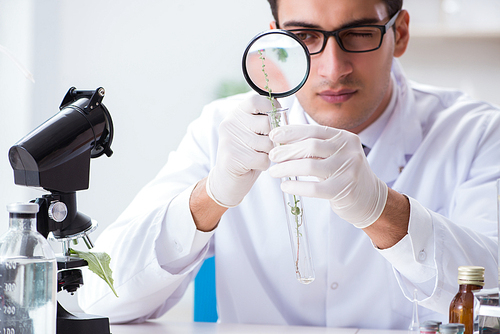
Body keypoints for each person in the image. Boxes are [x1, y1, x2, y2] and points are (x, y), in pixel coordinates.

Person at [78, 0, 500, 329]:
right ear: (275, 40)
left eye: (359, 33)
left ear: (400, 33)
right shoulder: (220, 130)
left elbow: (495, 298)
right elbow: (99, 295)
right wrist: (209, 197)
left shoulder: (477, 133)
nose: (334, 69)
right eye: (303, 36)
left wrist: (385, 212)